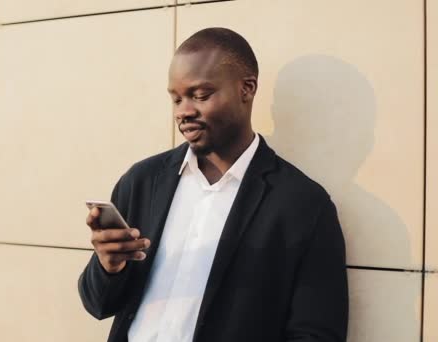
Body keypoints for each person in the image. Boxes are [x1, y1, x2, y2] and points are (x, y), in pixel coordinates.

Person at [78, 27, 348, 342]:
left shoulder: (302, 204)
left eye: (200, 95)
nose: (183, 112)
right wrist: (109, 265)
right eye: (176, 98)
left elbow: (316, 333)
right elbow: (98, 304)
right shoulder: (143, 181)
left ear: (246, 89)